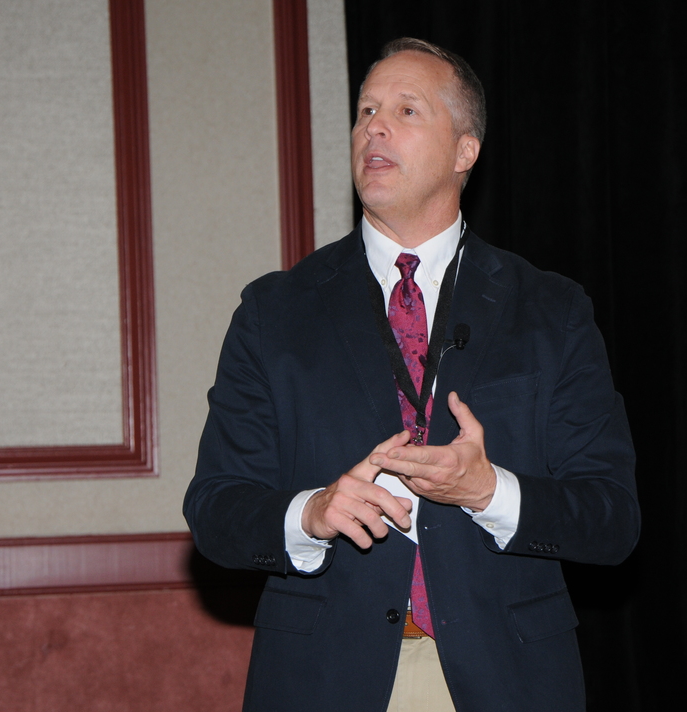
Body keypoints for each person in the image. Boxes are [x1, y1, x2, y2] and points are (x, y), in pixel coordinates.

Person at [184, 37, 639, 712]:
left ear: (464, 151)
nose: (374, 127)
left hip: (507, 678)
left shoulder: (550, 311)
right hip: (324, 679)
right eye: (366, 110)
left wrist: (490, 491)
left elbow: (611, 519)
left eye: (405, 110)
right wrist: (311, 512)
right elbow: (216, 511)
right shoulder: (274, 312)